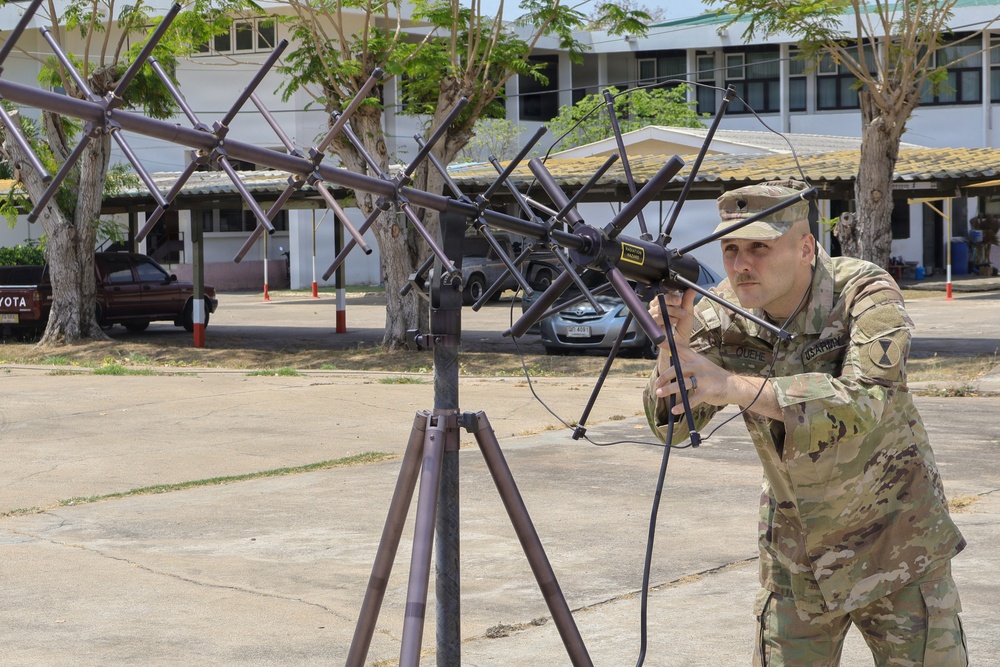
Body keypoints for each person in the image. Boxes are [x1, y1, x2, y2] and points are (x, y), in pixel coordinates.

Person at [642, 180, 967, 666]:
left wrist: (734, 386)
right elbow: (670, 427)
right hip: (797, 559)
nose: (741, 264)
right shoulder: (719, 310)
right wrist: (675, 347)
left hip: (898, 546)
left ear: (805, 247)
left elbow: (864, 400)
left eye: (759, 247)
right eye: (730, 249)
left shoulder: (864, 291)